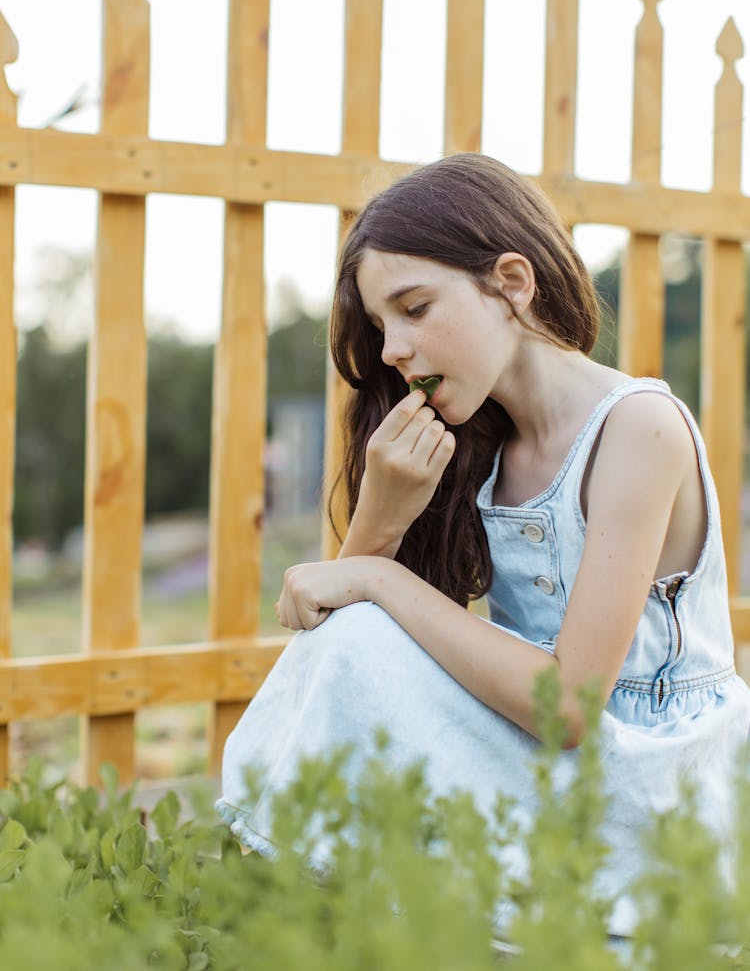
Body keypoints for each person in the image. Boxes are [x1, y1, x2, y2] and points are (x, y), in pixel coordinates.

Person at [216, 153, 750, 933]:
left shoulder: (637, 427)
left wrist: (377, 578)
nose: (394, 348)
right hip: (549, 774)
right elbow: (325, 628)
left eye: (415, 307)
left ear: (511, 282)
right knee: (352, 633)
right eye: (379, 326)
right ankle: (273, 908)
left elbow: (569, 706)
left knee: (368, 612)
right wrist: (382, 515)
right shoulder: (481, 449)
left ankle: (269, 907)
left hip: (653, 794)